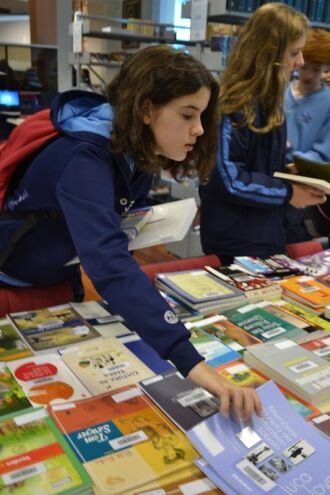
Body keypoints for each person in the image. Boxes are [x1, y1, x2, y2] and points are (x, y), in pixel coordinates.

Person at [0, 45, 262, 420]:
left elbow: (109, 231)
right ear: (146, 109)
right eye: (188, 115)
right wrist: (193, 364)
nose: (199, 129)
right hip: (12, 282)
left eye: (202, 116)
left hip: (59, 277)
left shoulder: (136, 150)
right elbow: (108, 262)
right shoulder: (83, 159)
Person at [199, 3, 327, 264]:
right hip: (234, 241)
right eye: (295, 52)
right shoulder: (232, 104)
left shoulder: (269, 102)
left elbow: (262, 167)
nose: (300, 62)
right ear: (270, 54)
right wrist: (289, 193)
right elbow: (230, 179)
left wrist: (293, 176)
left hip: (266, 234)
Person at [284, 28, 330, 243]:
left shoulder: (327, 103)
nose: (310, 75)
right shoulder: (281, 93)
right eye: (306, 67)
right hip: (274, 187)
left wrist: (296, 164)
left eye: (317, 69)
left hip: (304, 191)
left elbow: (324, 151)